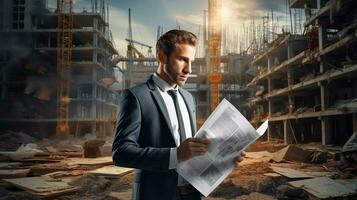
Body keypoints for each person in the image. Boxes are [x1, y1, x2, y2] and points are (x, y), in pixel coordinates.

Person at [112, 29, 244, 200]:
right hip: (155, 195)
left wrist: (224, 159)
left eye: (191, 61)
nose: (189, 69)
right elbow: (121, 153)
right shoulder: (136, 97)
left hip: (191, 195)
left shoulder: (188, 98)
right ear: (161, 57)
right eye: (182, 59)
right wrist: (175, 155)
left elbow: (193, 153)